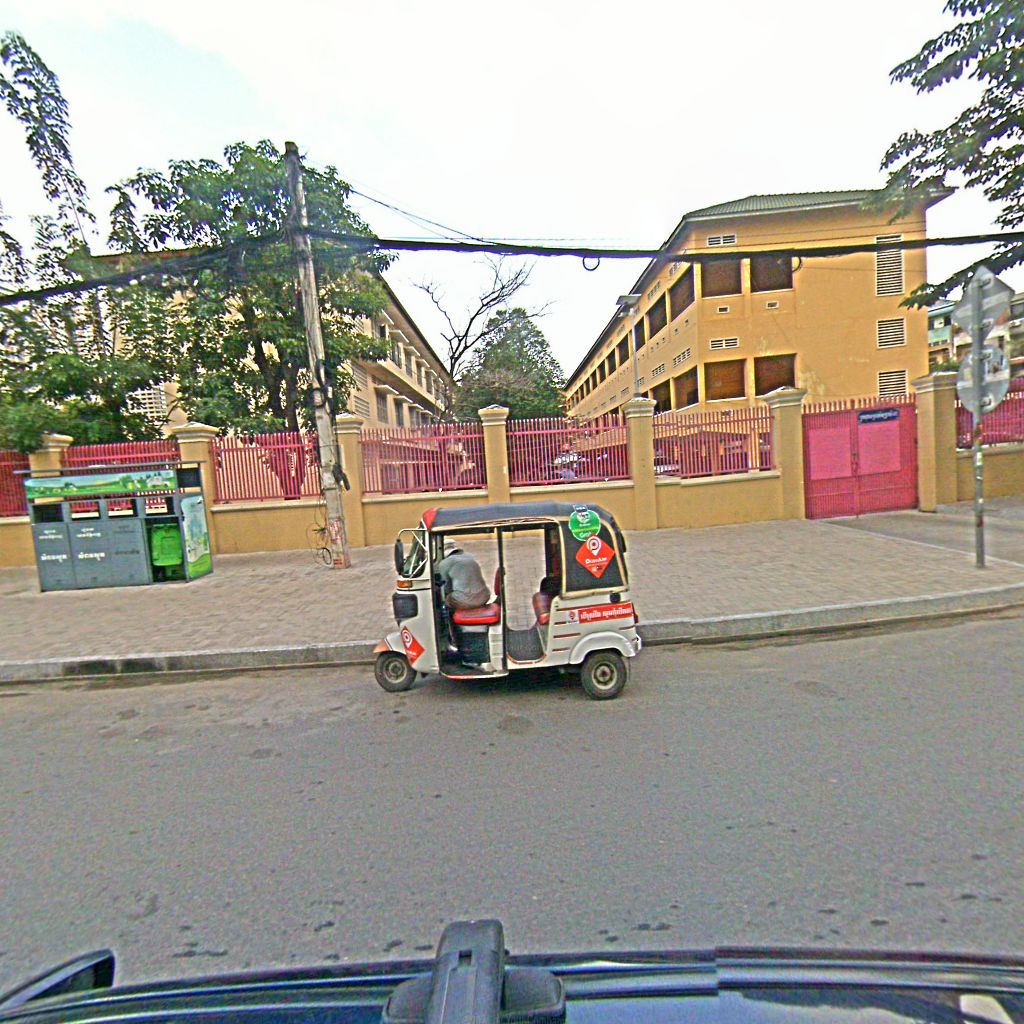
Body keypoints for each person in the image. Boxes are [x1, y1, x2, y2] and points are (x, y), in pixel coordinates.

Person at [436, 539, 491, 610]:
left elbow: (446, 587)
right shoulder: (470, 557)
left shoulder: (445, 563)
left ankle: (451, 616)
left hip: (466, 602)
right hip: (485, 597)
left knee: (446, 599)